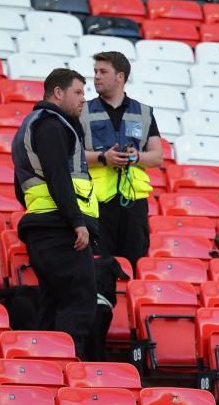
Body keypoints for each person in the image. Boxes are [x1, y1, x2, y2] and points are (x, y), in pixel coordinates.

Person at [12, 68, 100, 360]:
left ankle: (43, 370)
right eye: (78, 92)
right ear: (58, 93)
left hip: (42, 228)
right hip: (60, 228)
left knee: (52, 304)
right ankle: (67, 368)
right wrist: (77, 221)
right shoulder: (52, 125)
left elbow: (21, 187)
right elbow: (58, 175)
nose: (83, 100)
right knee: (80, 300)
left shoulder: (30, 126)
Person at [80, 51, 164, 270]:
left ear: (120, 76)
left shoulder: (144, 112)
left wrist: (136, 157)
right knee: (98, 266)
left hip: (133, 204)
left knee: (135, 264)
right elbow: (71, 155)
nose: (96, 76)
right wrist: (103, 158)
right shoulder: (82, 111)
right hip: (96, 202)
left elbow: (157, 156)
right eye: (95, 71)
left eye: (103, 71)